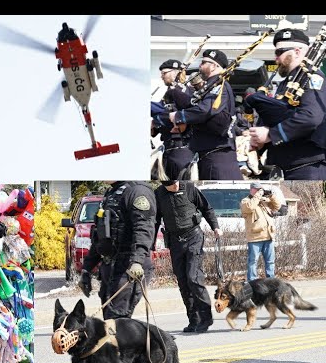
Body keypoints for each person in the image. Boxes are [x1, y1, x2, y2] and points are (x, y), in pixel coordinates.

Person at [247, 29, 326, 180]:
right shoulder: (285, 84)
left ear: (296, 51)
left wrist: (270, 134)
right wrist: (261, 141)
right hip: (288, 165)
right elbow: (282, 116)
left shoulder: (312, 78)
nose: (276, 58)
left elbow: (310, 117)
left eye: (280, 52)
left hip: (309, 168)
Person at [79, 181, 156, 321]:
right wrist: (87, 269)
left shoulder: (137, 191)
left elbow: (144, 230)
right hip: (110, 267)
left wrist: (137, 261)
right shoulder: (112, 194)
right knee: (109, 322)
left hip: (129, 268)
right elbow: (101, 237)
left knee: (117, 322)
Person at [154, 180, 221, 333]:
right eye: (172, 186)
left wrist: (215, 227)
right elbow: (156, 220)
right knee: (183, 282)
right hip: (174, 241)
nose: (176, 186)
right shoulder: (159, 194)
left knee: (193, 277)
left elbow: (206, 208)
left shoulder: (190, 188)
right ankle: (193, 319)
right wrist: (150, 242)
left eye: (176, 183)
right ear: (164, 185)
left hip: (193, 237)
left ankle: (205, 317)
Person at [169, 49, 242, 180]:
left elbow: (205, 111)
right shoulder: (210, 86)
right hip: (209, 153)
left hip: (218, 156)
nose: (200, 66)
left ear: (214, 66)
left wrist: (179, 116)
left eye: (204, 63)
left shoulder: (220, 85)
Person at [151, 59, 194, 179]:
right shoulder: (169, 93)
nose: (161, 77)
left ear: (175, 73)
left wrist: (155, 121)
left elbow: (174, 114)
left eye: (164, 73)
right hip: (169, 147)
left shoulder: (185, 91)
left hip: (181, 147)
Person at [241, 183, 281, 281]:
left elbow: (277, 206)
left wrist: (271, 195)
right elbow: (250, 207)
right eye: (258, 189)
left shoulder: (264, 201)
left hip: (268, 236)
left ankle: (271, 280)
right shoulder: (246, 201)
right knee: (253, 261)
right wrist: (258, 196)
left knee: (270, 261)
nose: (261, 191)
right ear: (252, 190)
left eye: (261, 190)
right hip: (255, 238)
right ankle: (252, 281)